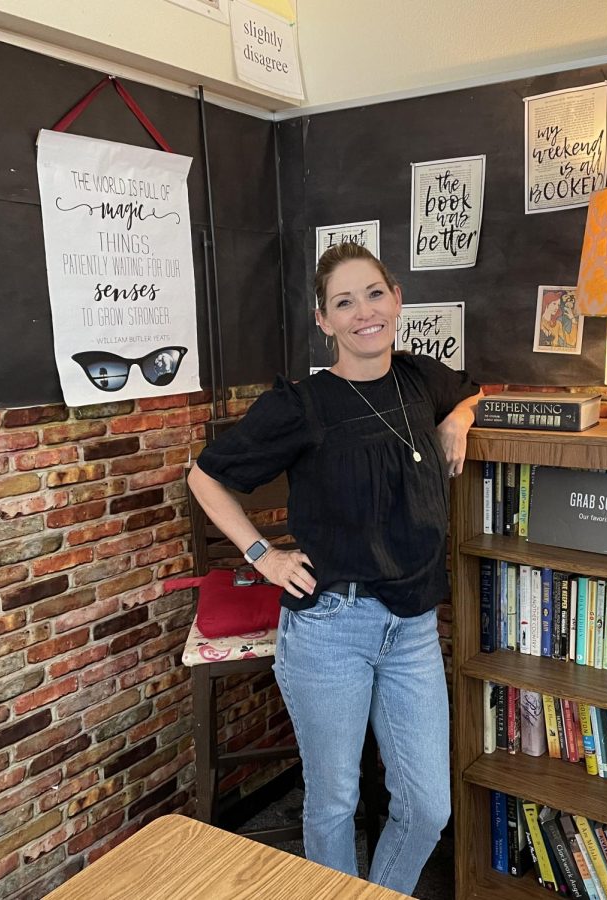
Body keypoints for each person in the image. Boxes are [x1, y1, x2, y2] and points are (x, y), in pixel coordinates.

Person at [186, 242, 483, 895]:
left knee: (429, 805)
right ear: (324, 321)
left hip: (411, 632)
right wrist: (263, 556)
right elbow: (205, 476)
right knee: (334, 805)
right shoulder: (302, 403)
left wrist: (459, 417)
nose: (364, 312)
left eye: (374, 294)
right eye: (344, 302)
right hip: (330, 630)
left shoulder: (418, 380)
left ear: (397, 300)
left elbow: (472, 389)